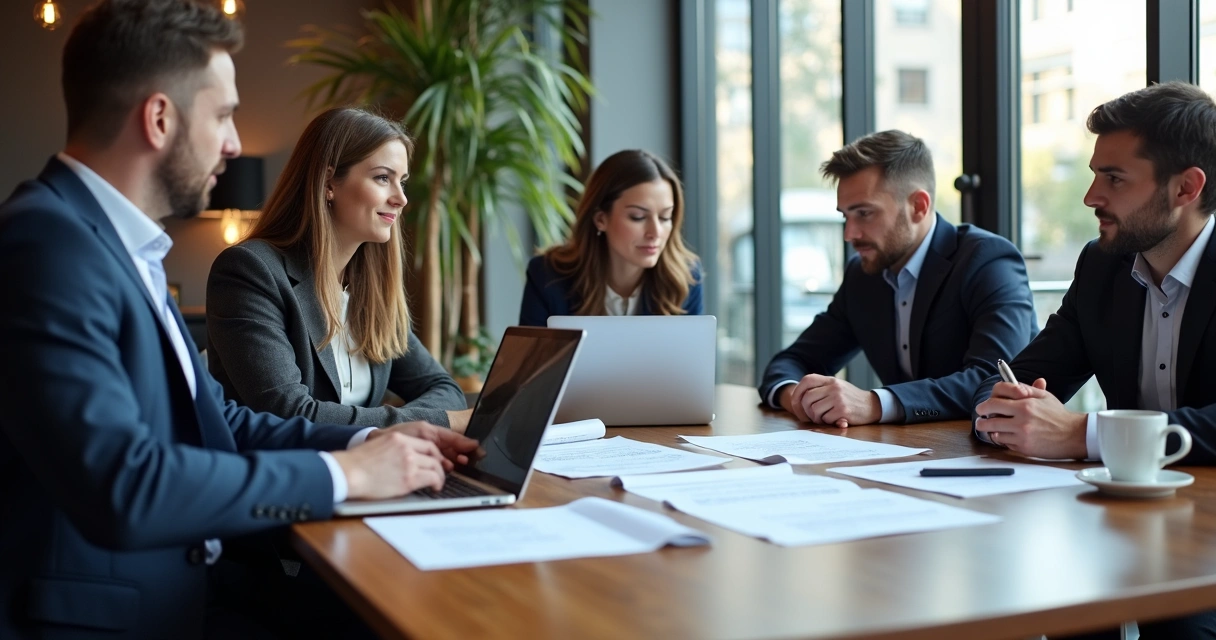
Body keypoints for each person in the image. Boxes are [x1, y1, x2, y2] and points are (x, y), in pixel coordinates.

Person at [0, 2, 477, 637]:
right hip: (114, 615)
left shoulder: (120, 247)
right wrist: (345, 474)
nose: (233, 142)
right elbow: (124, 485)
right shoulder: (48, 245)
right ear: (160, 117)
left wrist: (369, 442)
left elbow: (217, 421)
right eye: (224, 115)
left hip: (186, 584)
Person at [973, 81, 1216, 640]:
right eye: (1094, 174)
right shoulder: (1102, 265)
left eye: (1114, 178)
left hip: (1206, 536)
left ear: (1186, 187)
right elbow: (1017, 375)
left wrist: (1083, 434)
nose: (1090, 196)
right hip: (1126, 519)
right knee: (1051, 600)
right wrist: (1005, 407)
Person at [206, 107, 470, 433]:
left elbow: (445, 390)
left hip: (372, 474)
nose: (401, 198)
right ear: (329, 182)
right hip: (290, 475)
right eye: (383, 178)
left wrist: (410, 429)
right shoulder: (250, 272)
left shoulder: (369, 289)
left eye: (401, 182)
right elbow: (289, 414)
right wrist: (435, 424)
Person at [759, 130, 1037, 426]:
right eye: (845, 216)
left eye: (864, 213)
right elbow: (790, 363)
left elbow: (993, 380)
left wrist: (875, 404)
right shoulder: (864, 275)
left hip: (990, 456)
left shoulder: (987, 260)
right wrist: (800, 398)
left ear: (918, 206)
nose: (849, 234)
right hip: (904, 453)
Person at [518, 149, 703, 326]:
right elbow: (531, 359)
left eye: (665, 217)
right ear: (600, 219)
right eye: (637, 217)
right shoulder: (547, 277)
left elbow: (693, 358)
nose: (655, 232)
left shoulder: (684, 280)